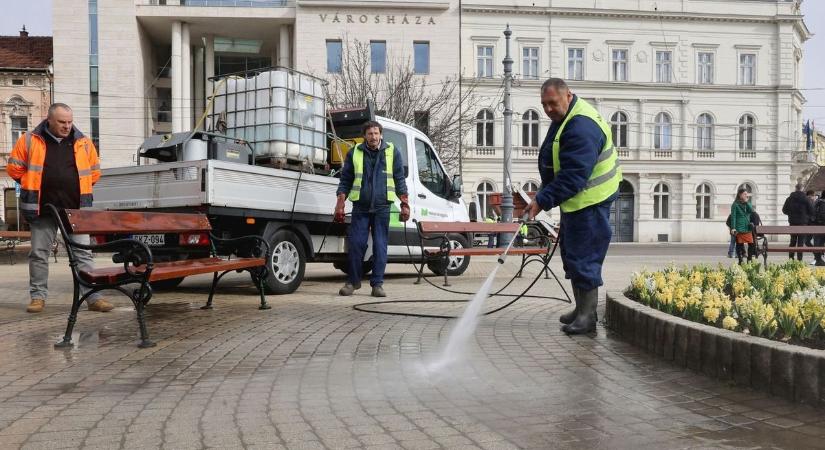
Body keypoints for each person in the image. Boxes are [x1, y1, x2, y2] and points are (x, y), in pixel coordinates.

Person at [527, 78, 621, 335]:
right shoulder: (565, 119)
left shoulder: (581, 126)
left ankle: (587, 318)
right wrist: (543, 194)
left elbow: (573, 176)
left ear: (568, 96)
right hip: (578, 201)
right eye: (544, 104)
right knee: (571, 254)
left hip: (591, 201)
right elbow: (557, 163)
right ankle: (580, 309)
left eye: (552, 103)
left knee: (585, 257)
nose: (548, 109)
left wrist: (542, 201)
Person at [5, 103, 113, 313]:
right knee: (38, 253)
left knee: (83, 254)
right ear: (49, 120)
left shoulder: (83, 142)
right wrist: (31, 183)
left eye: (70, 122)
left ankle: (93, 298)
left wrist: (79, 187)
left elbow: (95, 172)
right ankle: (38, 298)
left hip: (76, 209)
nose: (67, 126)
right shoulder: (29, 140)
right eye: (62, 122)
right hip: (41, 208)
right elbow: (13, 168)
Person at [334, 121, 409, 297]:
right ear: (364, 136)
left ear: (381, 135)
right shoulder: (354, 153)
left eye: (376, 133)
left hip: (383, 207)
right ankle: (353, 282)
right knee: (356, 245)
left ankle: (377, 284)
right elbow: (345, 180)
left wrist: (405, 204)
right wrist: (340, 202)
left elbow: (399, 179)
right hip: (361, 206)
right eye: (370, 134)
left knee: (380, 246)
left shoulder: (392, 152)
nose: (373, 137)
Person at [782, 184, 813, 261]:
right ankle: (799, 260)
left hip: (792, 223)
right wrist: (806, 217)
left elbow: (784, 210)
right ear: (802, 189)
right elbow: (811, 211)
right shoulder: (806, 199)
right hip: (803, 224)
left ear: (795, 188)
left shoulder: (789, 198)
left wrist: (791, 214)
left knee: (792, 241)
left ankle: (791, 259)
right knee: (800, 243)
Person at [730, 188, 755, 264]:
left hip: (747, 227)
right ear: (740, 195)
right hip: (739, 227)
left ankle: (749, 259)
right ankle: (740, 260)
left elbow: (751, 211)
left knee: (751, 244)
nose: (746, 195)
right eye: (744, 194)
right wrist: (733, 228)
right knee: (739, 244)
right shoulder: (735, 204)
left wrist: (747, 202)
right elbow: (733, 217)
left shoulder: (748, 203)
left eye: (747, 194)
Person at [812, 190, 825, 265]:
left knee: (818, 243)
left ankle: (818, 259)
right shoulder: (823, 203)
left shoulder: (817, 202)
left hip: (816, 226)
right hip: (822, 226)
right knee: (819, 243)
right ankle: (819, 260)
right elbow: (823, 215)